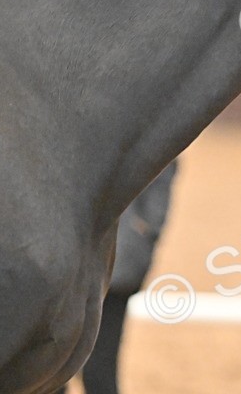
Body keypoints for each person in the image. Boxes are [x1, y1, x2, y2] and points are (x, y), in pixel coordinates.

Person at [62, 161, 178, 394]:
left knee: (98, 371)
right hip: (77, 268)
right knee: (53, 372)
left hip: (116, 269)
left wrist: (141, 232)